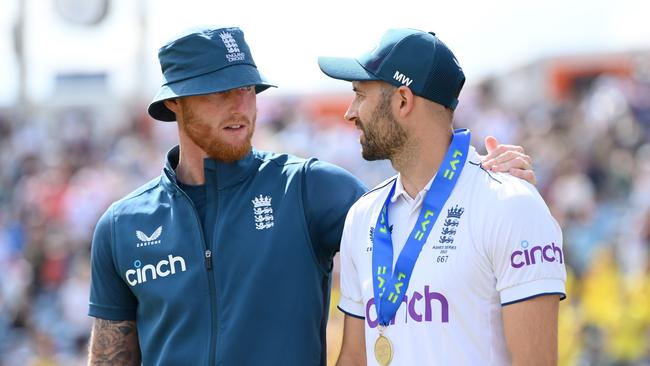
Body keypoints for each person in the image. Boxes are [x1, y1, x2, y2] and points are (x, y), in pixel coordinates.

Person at [86, 26, 537, 365]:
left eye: (248, 89)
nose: (241, 106)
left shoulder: (308, 187)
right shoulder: (122, 226)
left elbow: (424, 221)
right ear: (174, 104)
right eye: (220, 93)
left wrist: (484, 179)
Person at [318, 28, 566, 366]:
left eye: (360, 94)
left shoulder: (511, 204)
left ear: (403, 101)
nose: (349, 112)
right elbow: (354, 358)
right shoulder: (363, 215)